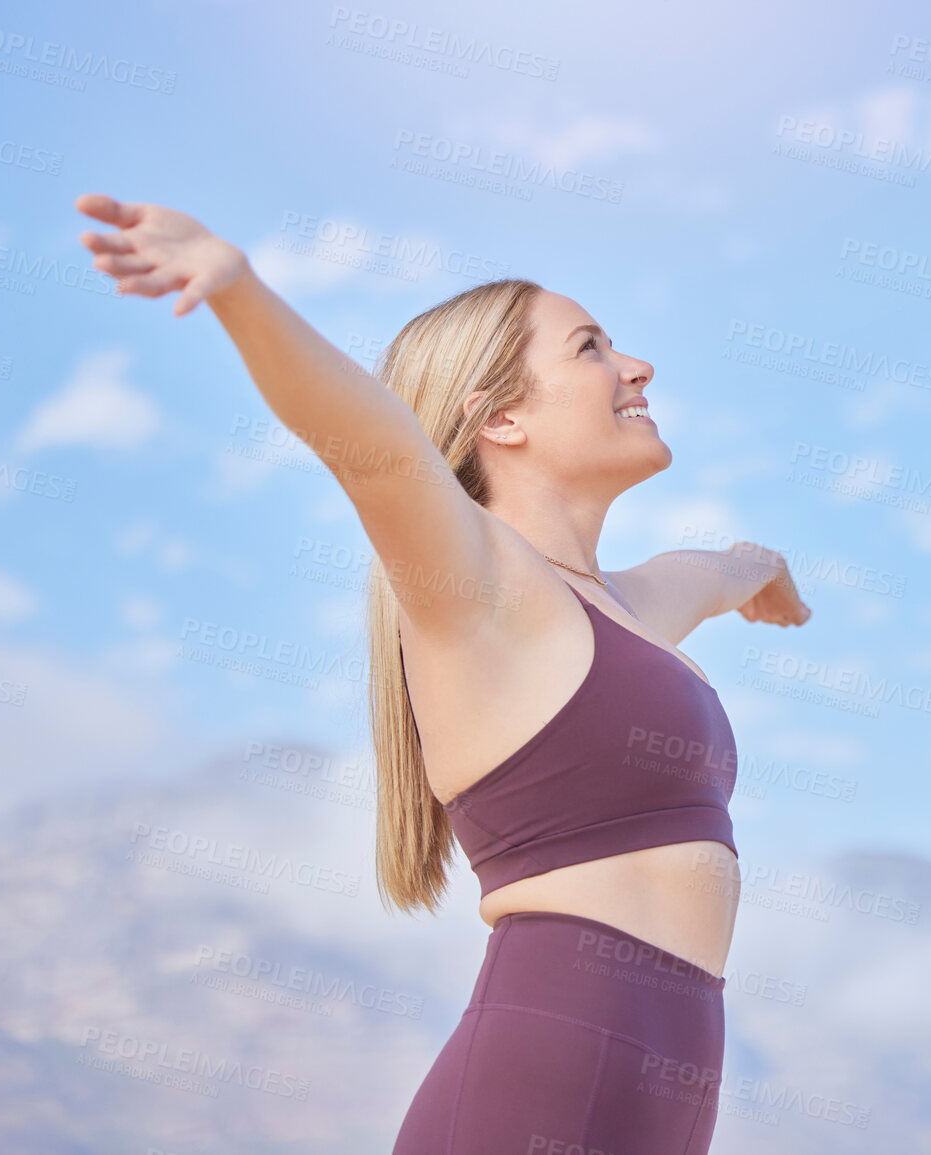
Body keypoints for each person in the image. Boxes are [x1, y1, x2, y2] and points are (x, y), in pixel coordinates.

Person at [73, 194, 813, 1154]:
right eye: (590, 348)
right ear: (499, 418)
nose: (637, 367)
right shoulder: (475, 584)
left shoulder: (628, 606)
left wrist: (771, 577)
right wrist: (239, 289)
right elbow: (374, 447)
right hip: (539, 1085)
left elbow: (723, 568)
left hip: (669, 1094)